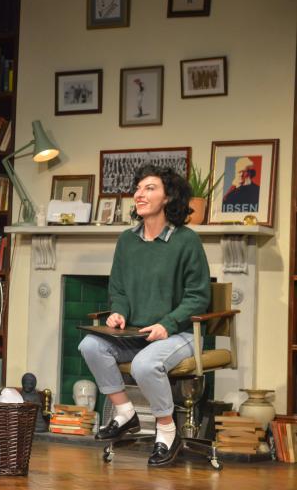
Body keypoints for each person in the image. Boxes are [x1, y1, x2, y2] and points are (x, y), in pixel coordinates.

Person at [78, 164, 210, 467]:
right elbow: (119, 290)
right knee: (90, 345)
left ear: (167, 197)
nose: (139, 194)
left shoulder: (186, 240)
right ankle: (124, 413)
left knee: (145, 364)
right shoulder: (127, 240)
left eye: (149, 188)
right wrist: (118, 314)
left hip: (181, 334)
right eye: (138, 188)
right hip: (135, 333)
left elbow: (198, 297)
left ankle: (167, 431)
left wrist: (168, 323)